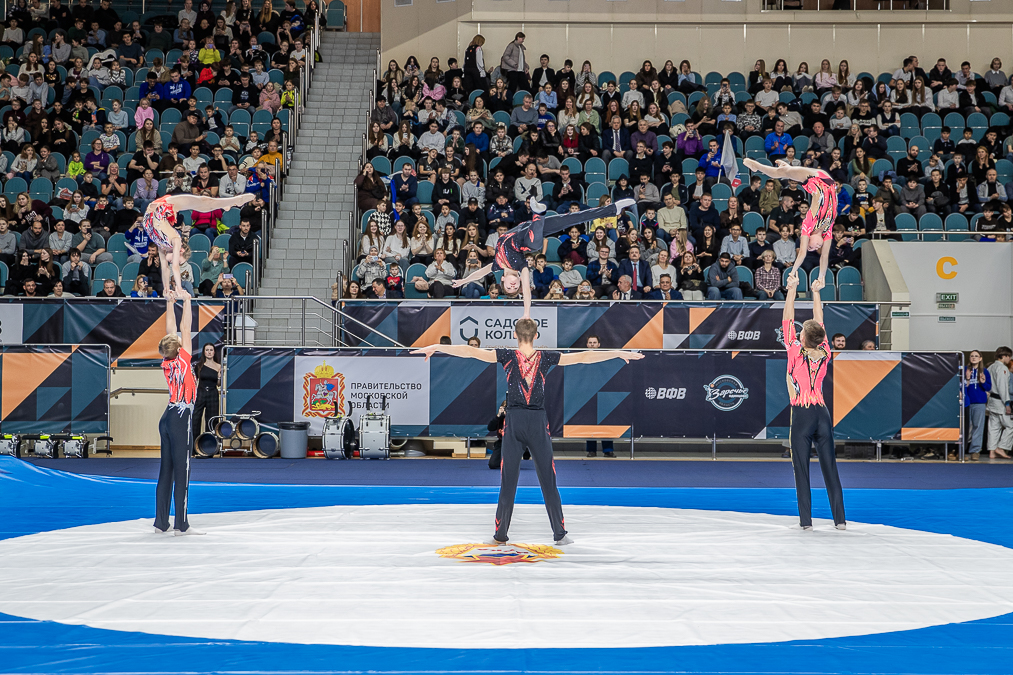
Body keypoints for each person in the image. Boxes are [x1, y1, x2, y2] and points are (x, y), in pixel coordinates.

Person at [411, 319, 644, 546]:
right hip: (536, 422)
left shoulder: (506, 355)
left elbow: (470, 352)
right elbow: (584, 357)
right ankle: (560, 534)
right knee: (548, 480)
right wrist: (616, 353)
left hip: (514, 421)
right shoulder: (545, 357)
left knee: (508, 481)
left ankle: (500, 536)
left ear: (514, 335)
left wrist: (438, 347)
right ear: (536, 336)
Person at [453, 197, 634, 319]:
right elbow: (526, 291)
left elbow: (478, 274)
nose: (514, 285)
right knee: (538, 242)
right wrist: (526, 313)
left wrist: (463, 281)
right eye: (515, 286)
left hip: (528, 227)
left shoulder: (497, 265)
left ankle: (612, 208)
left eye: (509, 286)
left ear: (502, 280)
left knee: (574, 217)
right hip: (530, 236)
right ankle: (538, 213)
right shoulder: (522, 267)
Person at [782, 274, 845, 531]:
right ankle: (840, 520)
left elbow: (787, 319)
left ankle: (806, 522)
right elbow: (820, 323)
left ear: (804, 338)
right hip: (822, 412)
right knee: (830, 466)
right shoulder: (826, 351)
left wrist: (792, 289)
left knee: (801, 468)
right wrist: (817, 293)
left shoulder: (795, 350)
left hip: (802, 412)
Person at [142, 192, 256, 303]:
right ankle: (227, 203)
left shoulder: (163, 245)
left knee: (202, 202)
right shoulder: (175, 241)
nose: (172, 261)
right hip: (160, 208)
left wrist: (171, 289)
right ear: (181, 251)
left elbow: (168, 268)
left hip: (155, 211)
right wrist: (173, 289)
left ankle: (227, 203)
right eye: (175, 259)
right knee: (202, 202)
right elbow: (171, 268)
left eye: (172, 260)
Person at [743, 158, 836, 291]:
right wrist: (822, 277)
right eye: (815, 248)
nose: (815, 247)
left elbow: (802, 253)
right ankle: (783, 167)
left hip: (815, 179)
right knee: (785, 171)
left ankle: (757, 166)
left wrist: (792, 272)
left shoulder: (807, 225)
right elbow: (824, 256)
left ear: (808, 238)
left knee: (783, 172)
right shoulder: (827, 230)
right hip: (828, 182)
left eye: (811, 247)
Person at [155, 291, 203, 536]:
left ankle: (160, 523)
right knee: (182, 470)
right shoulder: (184, 359)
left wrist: (169, 303)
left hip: (167, 415)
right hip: (180, 417)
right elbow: (185, 326)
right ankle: (181, 525)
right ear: (180, 347)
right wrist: (186, 301)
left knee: (166, 470)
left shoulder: (166, 360)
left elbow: (171, 330)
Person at [963, 350, 991, 462]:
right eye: (972, 356)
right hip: (967, 402)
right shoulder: (965, 370)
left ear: (980, 358)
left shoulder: (985, 371)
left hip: (979, 403)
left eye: (976, 356)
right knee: (965, 428)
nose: (974, 358)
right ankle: (962, 450)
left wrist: (983, 382)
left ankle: (975, 451)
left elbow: (988, 387)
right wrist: (968, 379)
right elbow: (961, 386)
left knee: (978, 427)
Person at [986, 346, 1012, 460]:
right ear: (1005, 356)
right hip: (1000, 401)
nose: (1009, 359)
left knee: (993, 427)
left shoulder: (991, 367)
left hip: (992, 400)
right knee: (1011, 426)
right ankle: (1001, 447)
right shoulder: (1002, 369)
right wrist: (1007, 403)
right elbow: (1003, 388)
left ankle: (992, 451)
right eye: (1009, 357)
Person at [192, 342, 221, 436]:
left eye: (211, 350)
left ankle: (209, 445)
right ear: (204, 352)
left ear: (214, 352)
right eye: (207, 350)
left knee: (212, 419)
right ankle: (194, 444)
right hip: (200, 393)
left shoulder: (219, 366)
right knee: (195, 418)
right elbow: (194, 381)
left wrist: (220, 377)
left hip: (213, 393)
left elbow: (219, 384)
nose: (209, 352)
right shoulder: (199, 366)